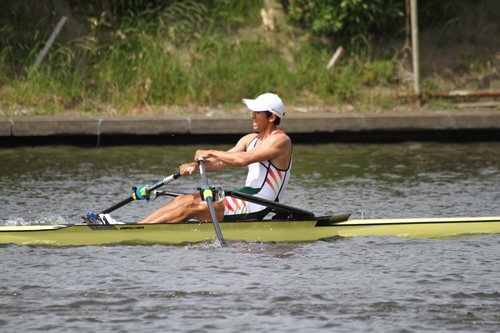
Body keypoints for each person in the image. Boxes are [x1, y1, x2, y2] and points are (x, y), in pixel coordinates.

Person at [137, 93, 292, 224]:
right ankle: (138, 226)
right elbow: (218, 163)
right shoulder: (249, 139)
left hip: (258, 204)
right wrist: (195, 166)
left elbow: (243, 160)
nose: (252, 115)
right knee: (183, 200)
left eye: (257, 112)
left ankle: (137, 232)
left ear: (271, 117)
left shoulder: (281, 141)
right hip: (244, 195)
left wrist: (210, 151)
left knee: (191, 207)